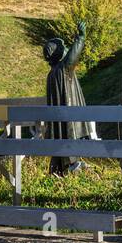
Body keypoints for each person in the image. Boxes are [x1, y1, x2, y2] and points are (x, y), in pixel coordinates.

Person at [43, 20, 88, 176]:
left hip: (59, 121)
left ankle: (59, 169)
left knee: (62, 145)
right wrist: (81, 37)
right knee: (71, 143)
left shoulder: (52, 74)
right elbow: (73, 55)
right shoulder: (63, 69)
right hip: (69, 119)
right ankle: (72, 168)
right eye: (63, 47)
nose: (66, 49)